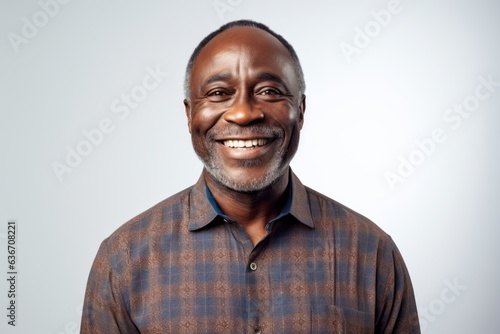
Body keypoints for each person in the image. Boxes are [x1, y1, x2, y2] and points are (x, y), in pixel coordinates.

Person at [81, 19, 420, 333]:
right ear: (190, 115)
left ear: (300, 112)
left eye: (269, 91)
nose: (243, 113)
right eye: (218, 94)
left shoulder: (372, 254)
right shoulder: (123, 259)